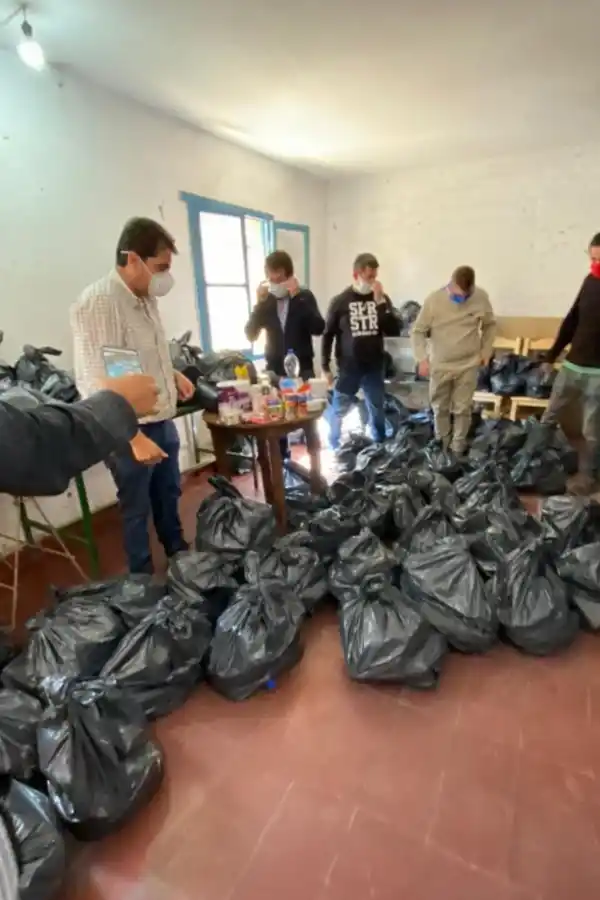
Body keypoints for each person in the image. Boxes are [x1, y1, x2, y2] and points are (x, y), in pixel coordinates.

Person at [71, 217, 195, 574]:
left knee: (168, 495)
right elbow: (97, 381)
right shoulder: (99, 303)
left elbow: (136, 357)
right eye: (160, 268)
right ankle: (141, 583)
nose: (164, 278)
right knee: (136, 507)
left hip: (161, 420)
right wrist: (132, 435)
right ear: (132, 259)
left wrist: (171, 373)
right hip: (130, 431)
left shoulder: (143, 298)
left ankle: (179, 557)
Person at [0, 374, 159, 496]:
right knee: (137, 502)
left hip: (135, 420)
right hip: (120, 424)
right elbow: (33, 450)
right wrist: (116, 406)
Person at [245, 249, 324, 457]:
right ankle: (282, 461)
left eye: (278, 274)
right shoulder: (267, 301)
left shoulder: (304, 297)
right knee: (276, 419)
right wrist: (259, 303)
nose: (273, 278)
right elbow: (250, 333)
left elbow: (318, 327)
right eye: (269, 273)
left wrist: (298, 297)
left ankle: (314, 465)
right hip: (275, 371)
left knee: (308, 420)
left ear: (288, 274)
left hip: (303, 369)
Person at [412, 266, 496, 456]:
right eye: (458, 295)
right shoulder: (434, 301)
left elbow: (490, 326)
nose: (461, 299)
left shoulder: (480, 297)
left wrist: (485, 351)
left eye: (466, 296)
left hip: (468, 364)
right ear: (450, 283)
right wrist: (421, 358)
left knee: (462, 408)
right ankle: (442, 445)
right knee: (440, 407)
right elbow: (418, 331)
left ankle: (457, 448)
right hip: (440, 365)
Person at [541, 232, 600, 494]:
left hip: (598, 374)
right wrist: (551, 356)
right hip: (572, 366)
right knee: (549, 416)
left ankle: (587, 478)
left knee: (592, 431)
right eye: (592, 258)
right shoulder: (590, 281)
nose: (594, 264)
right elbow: (572, 320)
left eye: (598, 259)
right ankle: (531, 464)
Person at [322, 252, 400, 448]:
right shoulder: (340, 301)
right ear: (356, 274)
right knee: (339, 408)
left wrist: (380, 303)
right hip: (349, 366)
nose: (373, 281)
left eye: (375, 276)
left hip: (374, 365)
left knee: (376, 408)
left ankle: (379, 446)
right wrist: (325, 366)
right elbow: (328, 334)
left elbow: (393, 330)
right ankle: (334, 444)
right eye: (368, 277)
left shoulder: (381, 299)